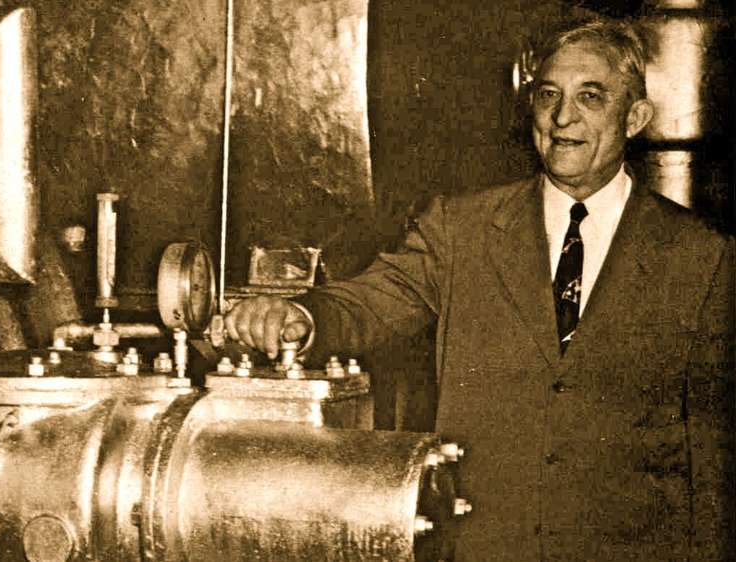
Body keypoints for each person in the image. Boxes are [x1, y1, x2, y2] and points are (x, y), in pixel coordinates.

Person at [225, 20, 734, 561]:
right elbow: (371, 301)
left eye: (590, 97)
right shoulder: (460, 229)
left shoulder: (701, 255)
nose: (563, 117)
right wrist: (305, 319)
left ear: (634, 118)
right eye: (549, 95)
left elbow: (714, 457)